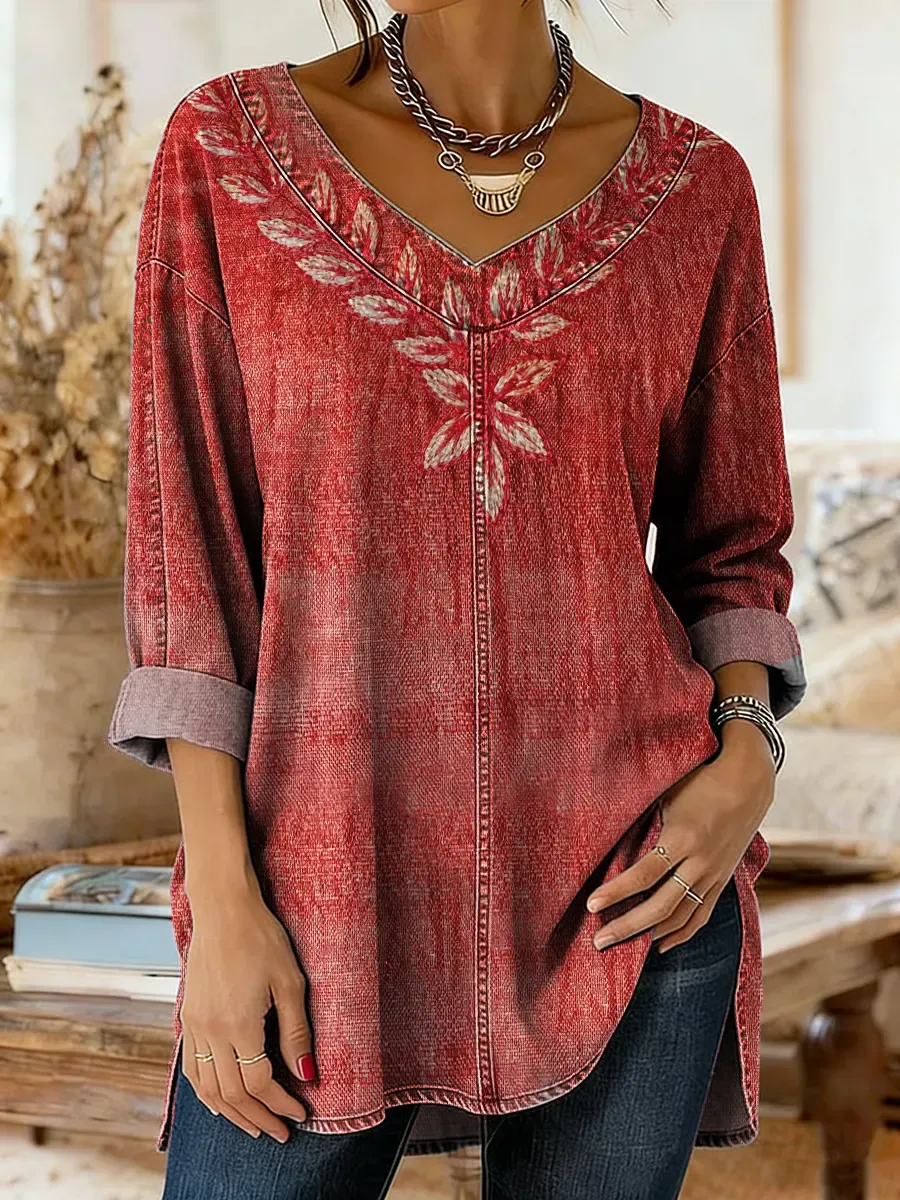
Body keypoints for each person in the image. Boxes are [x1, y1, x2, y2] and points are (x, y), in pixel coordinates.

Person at [106, 1, 807, 1196]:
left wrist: (745, 764)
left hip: (634, 889)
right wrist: (221, 900)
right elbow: (190, 560)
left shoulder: (697, 193)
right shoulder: (226, 151)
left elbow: (730, 546)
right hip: (320, 899)